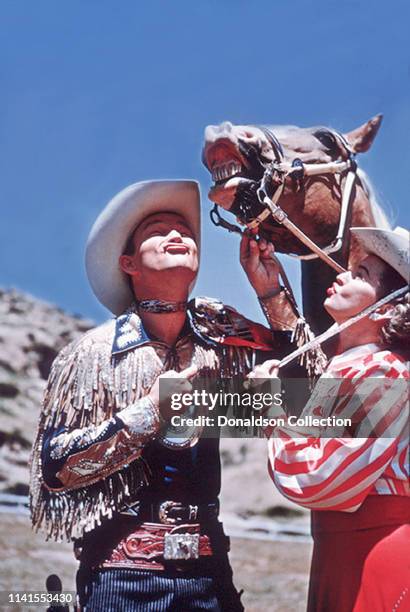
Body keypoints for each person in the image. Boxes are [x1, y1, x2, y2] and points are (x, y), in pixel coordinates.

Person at [29, 179, 298, 611]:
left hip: (211, 573)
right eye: (159, 229)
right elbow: (54, 468)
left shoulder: (222, 336)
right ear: (128, 263)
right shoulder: (94, 353)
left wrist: (269, 290)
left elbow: (313, 388)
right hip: (121, 576)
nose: (179, 234)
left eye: (187, 231)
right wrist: (151, 411)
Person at [244, 226, 410, 611]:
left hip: (378, 555)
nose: (342, 275)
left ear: (386, 308)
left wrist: (271, 406)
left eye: (361, 274)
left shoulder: (387, 374)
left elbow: (325, 478)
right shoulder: (350, 370)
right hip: (341, 553)